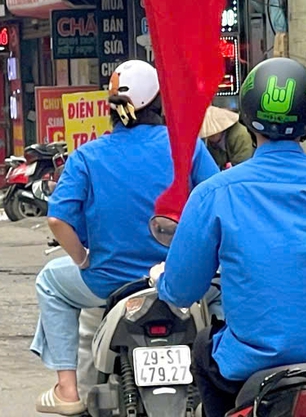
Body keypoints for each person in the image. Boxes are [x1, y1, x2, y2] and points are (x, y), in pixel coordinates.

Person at [155, 58, 306, 417]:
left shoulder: (214, 194)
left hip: (246, 369)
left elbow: (181, 290)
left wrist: (163, 282)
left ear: (246, 112)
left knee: (202, 348)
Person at [32, 60, 219, 416]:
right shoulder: (186, 148)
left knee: (50, 283)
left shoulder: (87, 155)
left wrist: (83, 259)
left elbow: (57, 219)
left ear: (111, 107)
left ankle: (67, 390)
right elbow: (215, 201)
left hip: (107, 283)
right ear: (159, 103)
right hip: (182, 278)